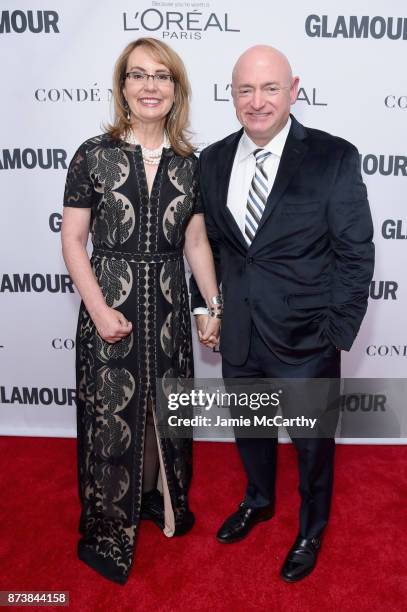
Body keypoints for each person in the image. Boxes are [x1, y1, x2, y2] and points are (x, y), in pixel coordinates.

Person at [190, 45, 374, 582]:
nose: (257, 101)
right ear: (231, 95)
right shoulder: (213, 159)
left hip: (307, 341)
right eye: (245, 89)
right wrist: (210, 307)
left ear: (294, 90)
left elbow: (355, 252)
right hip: (241, 334)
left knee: (313, 446)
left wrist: (335, 334)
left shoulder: (333, 156)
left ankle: (313, 527)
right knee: (250, 429)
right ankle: (260, 499)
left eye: (270, 88)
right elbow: (212, 247)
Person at [61, 37, 220, 585]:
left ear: (176, 90)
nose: (150, 86)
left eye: (162, 76)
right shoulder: (94, 154)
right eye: (138, 75)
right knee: (112, 418)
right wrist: (99, 309)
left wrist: (209, 305)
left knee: (162, 408)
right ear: (123, 87)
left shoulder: (189, 164)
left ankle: (156, 498)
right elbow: (73, 240)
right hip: (111, 304)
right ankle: (108, 524)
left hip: (172, 307)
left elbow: (196, 243)